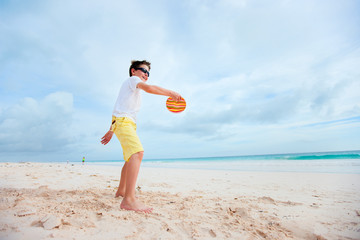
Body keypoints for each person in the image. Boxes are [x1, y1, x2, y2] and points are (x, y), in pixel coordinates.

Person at [101, 60, 182, 213]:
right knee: (137, 153)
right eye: (143, 70)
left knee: (129, 158)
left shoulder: (131, 89)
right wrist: (171, 93)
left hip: (124, 122)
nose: (146, 74)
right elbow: (150, 88)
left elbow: (118, 107)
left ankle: (121, 191)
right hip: (123, 122)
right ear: (133, 71)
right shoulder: (133, 80)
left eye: (148, 73)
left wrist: (111, 129)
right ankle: (129, 200)